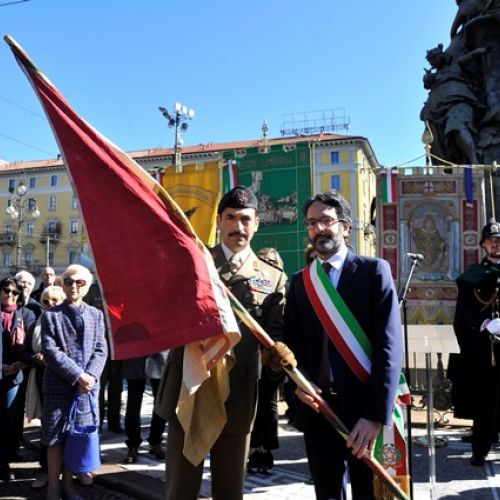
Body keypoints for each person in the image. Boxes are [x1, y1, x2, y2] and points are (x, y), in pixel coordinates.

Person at [156, 185, 287, 500]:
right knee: (181, 489)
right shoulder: (195, 262)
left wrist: (276, 358)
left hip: (238, 392)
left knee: (230, 490)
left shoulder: (273, 277)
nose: (238, 227)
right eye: (231, 218)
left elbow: (275, 334)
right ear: (219, 220)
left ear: (256, 224)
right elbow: (167, 312)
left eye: (246, 219)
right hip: (189, 386)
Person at [284, 191, 403, 499]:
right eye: (312, 223)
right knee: (327, 493)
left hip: (364, 411)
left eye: (326, 221)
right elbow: (292, 346)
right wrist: (299, 384)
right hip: (319, 409)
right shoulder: (300, 281)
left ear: (346, 227)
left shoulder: (373, 271)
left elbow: (389, 348)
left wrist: (375, 415)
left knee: (368, 493)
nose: (319, 230)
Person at [41, 264, 107, 500]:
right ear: (62, 284)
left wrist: (90, 377)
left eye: (80, 282)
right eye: (69, 281)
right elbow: (50, 350)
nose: (74, 287)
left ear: (88, 286)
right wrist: (78, 375)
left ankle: (68, 485)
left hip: (85, 389)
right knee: (55, 438)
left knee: (75, 438)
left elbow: (101, 349)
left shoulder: (96, 315)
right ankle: (53, 487)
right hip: (59, 386)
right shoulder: (51, 315)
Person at [453, 219, 500, 466]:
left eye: (499, 240)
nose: (496, 244)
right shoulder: (473, 276)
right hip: (485, 349)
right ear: (483, 245)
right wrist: (485, 324)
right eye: (491, 240)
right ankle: (480, 449)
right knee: (485, 400)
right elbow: (465, 311)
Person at [247, 247, 287, 474]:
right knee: (253, 403)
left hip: (273, 354)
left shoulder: (284, 285)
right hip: (251, 355)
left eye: (272, 260)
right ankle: (253, 448)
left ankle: (267, 448)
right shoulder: (252, 285)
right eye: (263, 260)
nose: (268, 263)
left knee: (269, 404)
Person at [26, 285, 66, 490]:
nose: (51, 304)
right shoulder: (36, 323)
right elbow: (26, 353)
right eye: (46, 301)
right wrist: (36, 357)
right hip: (43, 379)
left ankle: (71, 471)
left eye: (55, 300)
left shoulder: (69, 321)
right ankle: (45, 471)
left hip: (68, 380)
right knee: (47, 427)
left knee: (70, 427)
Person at [0, 278, 36, 482]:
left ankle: (4, 462)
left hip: (14, 375)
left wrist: (20, 365)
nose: (10, 295)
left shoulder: (26, 314)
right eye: (6, 290)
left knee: (8, 418)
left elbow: (32, 344)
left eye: (15, 292)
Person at [122, 352, 168, 463]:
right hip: (135, 349)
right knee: (133, 399)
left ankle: (155, 441)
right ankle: (133, 444)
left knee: (160, 398)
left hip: (159, 348)